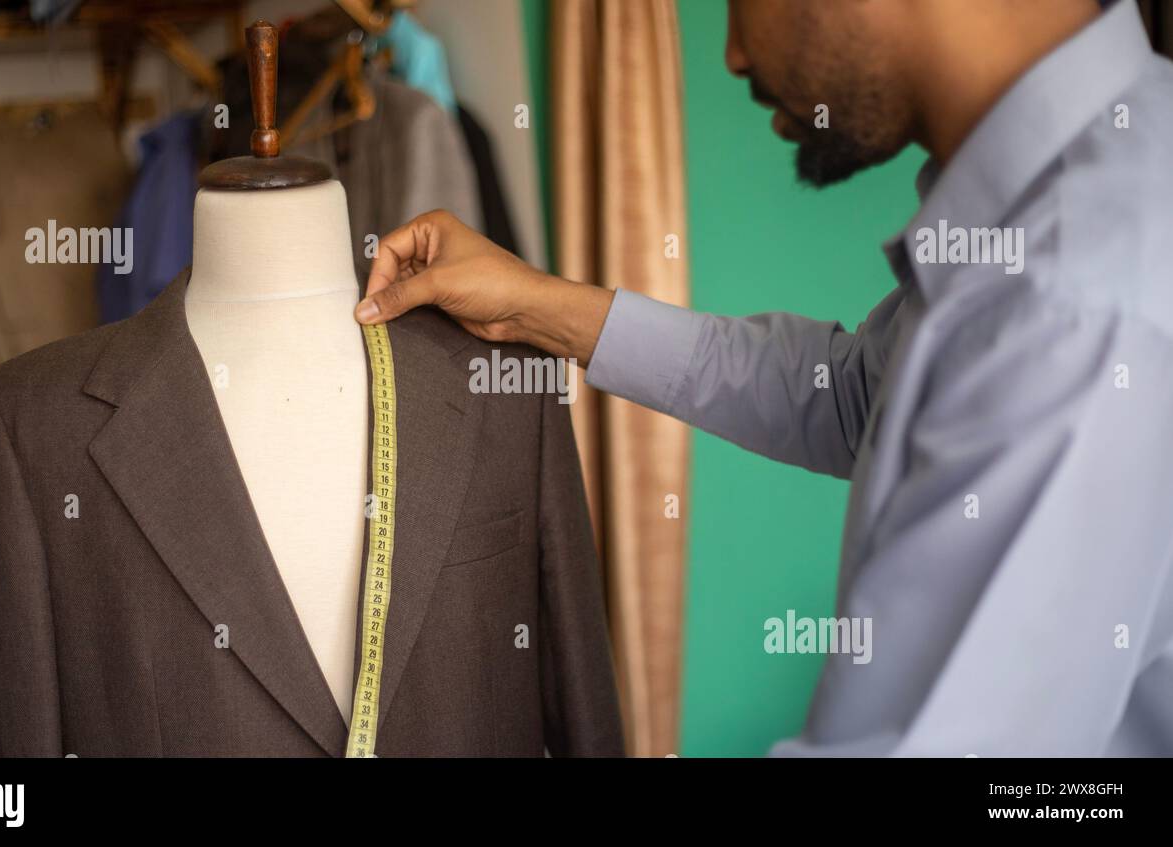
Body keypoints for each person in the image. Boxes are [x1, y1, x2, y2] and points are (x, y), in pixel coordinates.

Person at [355, 0, 1173, 756]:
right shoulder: (1088, 191)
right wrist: (535, 307)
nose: (735, 54)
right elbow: (854, 396)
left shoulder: (1073, 296)